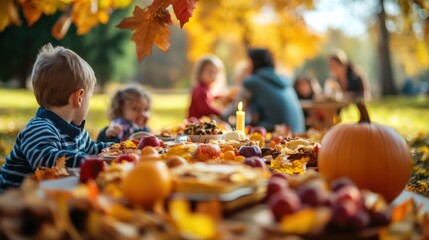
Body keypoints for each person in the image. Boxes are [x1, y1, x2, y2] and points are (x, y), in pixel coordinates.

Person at [0, 44, 111, 191]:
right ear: (79, 97)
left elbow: (93, 150)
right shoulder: (39, 128)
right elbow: (46, 160)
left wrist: (119, 149)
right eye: (89, 97)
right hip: (13, 204)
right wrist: (92, 161)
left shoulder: (77, 132)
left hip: (43, 198)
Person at [243, 48, 305, 133]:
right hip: (299, 132)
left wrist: (222, 115)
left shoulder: (253, 81)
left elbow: (238, 107)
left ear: (254, 63)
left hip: (278, 132)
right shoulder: (282, 80)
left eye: (248, 62)